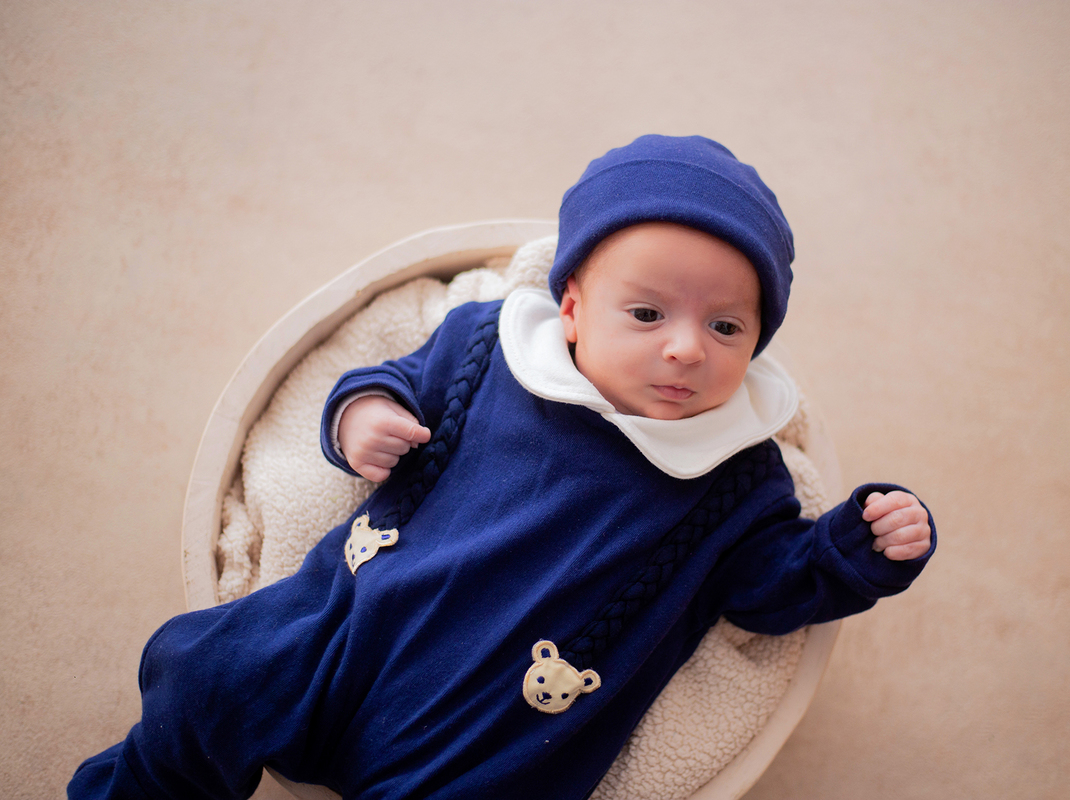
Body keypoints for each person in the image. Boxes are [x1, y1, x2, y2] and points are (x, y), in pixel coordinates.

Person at [70, 135, 935, 800]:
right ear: (568, 308)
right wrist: (365, 417)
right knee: (210, 673)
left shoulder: (741, 479)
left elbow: (770, 591)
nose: (684, 349)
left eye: (726, 328)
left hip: (499, 732)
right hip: (345, 631)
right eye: (645, 312)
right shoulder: (491, 350)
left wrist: (853, 550)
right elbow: (386, 378)